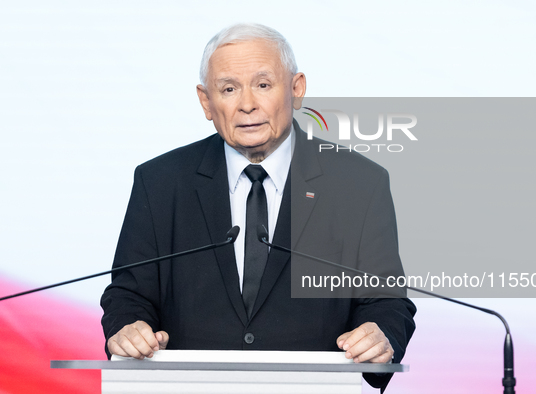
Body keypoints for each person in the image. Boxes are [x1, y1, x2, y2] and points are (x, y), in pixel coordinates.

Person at [100, 23, 416, 390]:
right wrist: (128, 329)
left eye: (263, 85)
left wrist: (381, 336)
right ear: (206, 101)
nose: (247, 103)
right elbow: (128, 294)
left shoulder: (359, 183)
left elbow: (387, 302)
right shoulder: (159, 182)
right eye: (229, 89)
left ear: (296, 90)